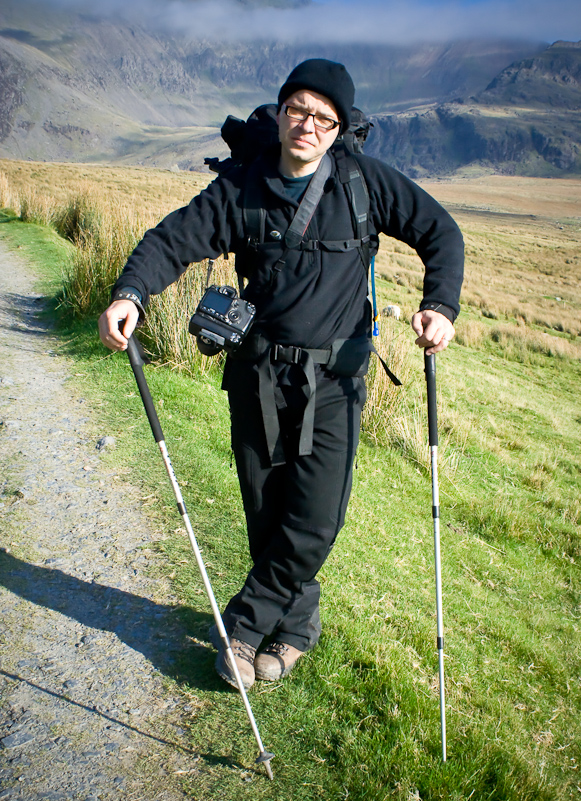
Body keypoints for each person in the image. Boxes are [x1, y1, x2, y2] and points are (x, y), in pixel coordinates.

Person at [99, 59, 464, 690]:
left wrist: (441, 306)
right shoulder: (241, 187)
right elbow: (171, 241)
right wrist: (131, 292)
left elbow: (440, 232)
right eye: (299, 109)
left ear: (339, 127)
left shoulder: (363, 183)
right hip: (258, 378)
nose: (309, 125)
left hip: (337, 381)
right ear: (283, 110)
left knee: (317, 517)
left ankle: (242, 627)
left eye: (324, 117)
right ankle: (294, 630)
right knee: (267, 513)